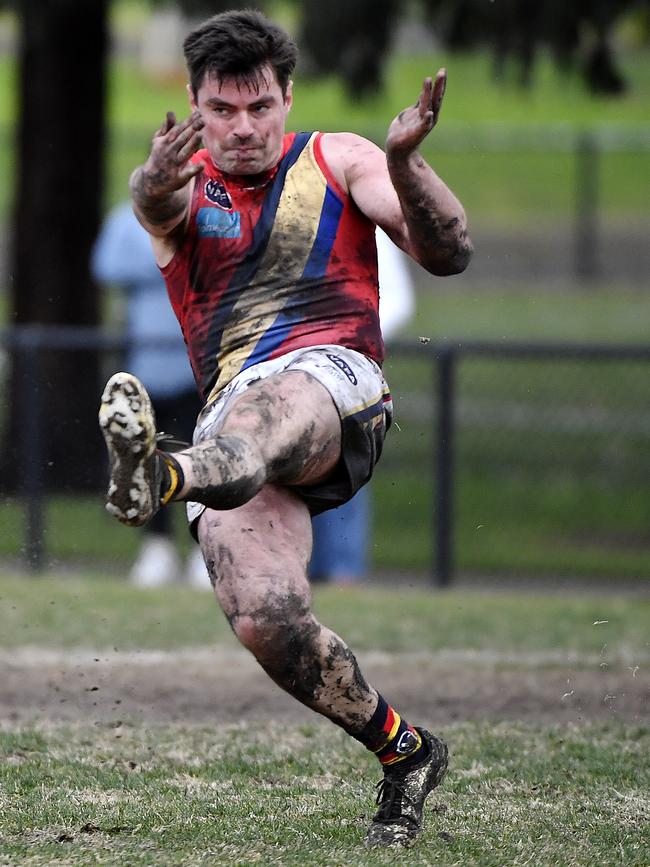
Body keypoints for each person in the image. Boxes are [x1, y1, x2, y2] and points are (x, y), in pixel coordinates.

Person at [98, 9, 472, 847]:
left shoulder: (340, 159)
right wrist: (149, 180)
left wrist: (408, 163)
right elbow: (152, 197)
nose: (241, 128)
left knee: (269, 409)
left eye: (258, 106)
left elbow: (449, 250)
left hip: (337, 385)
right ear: (193, 104)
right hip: (232, 415)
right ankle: (405, 752)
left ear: (286, 96)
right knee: (267, 617)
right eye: (221, 111)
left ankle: (159, 477)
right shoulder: (184, 186)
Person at [91, 201, 209, 589]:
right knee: (143, 455)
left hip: (199, 364)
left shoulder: (210, 213)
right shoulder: (126, 219)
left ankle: (202, 549)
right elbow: (106, 265)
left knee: (202, 454)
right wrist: (168, 259)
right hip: (146, 363)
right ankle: (156, 546)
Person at [309, 227, 415, 584]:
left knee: (345, 464)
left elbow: (398, 301)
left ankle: (343, 571)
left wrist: (351, 342)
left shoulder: (365, 226)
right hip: (289, 368)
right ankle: (293, 570)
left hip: (347, 371)